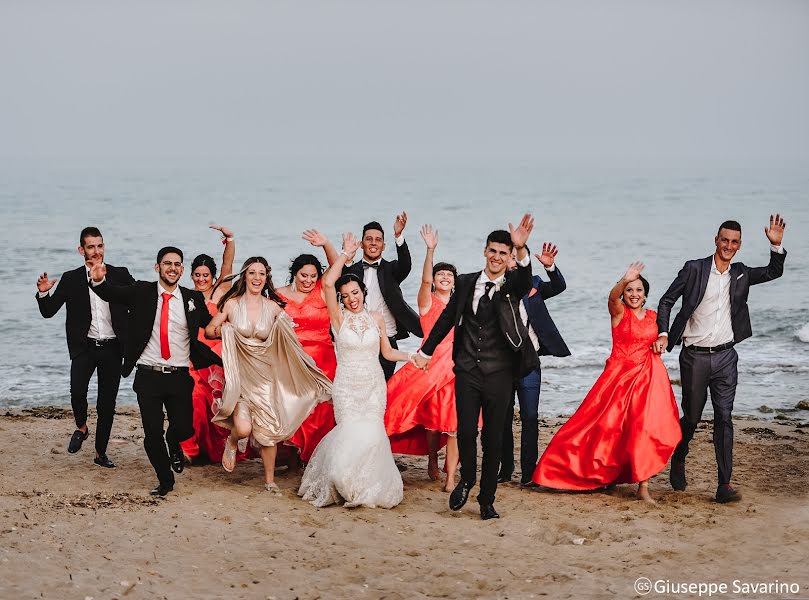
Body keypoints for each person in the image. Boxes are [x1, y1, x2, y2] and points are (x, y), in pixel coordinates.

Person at [654, 215, 787, 503]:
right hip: (695, 357)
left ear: (739, 246)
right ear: (716, 240)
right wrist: (664, 333)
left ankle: (724, 484)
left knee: (724, 418)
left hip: (727, 356)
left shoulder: (740, 274)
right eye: (724, 240)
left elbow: (773, 273)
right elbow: (666, 300)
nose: (729, 245)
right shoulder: (694, 269)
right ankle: (680, 453)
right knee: (691, 416)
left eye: (734, 242)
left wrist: (776, 247)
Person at [414, 215, 536, 520]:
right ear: (485, 251)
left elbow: (524, 278)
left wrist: (522, 250)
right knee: (465, 432)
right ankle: (467, 477)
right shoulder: (466, 282)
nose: (496, 257)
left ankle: (486, 499)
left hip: (500, 374)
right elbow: (445, 321)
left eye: (503, 253)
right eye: (492, 250)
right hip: (467, 370)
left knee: (493, 437)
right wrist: (426, 351)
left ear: (508, 259)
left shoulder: (512, 286)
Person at [533, 263, 681, 504]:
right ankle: (576, 472)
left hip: (648, 378)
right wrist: (623, 279)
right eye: (630, 290)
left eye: (639, 290)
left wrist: (661, 341)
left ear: (645, 294)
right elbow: (612, 296)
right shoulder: (619, 312)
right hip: (618, 379)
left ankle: (643, 487)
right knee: (600, 428)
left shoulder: (654, 317)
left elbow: (664, 334)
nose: (634, 294)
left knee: (644, 429)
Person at [89, 247, 221, 496]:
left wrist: (233, 322)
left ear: (182, 269)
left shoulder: (192, 298)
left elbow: (209, 325)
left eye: (177, 264)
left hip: (180, 376)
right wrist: (98, 280)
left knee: (184, 428)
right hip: (148, 375)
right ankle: (165, 479)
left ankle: (174, 442)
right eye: (167, 263)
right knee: (152, 434)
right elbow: (110, 293)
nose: (172, 268)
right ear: (157, 267)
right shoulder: (141, 291)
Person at [299, 233, 414, 508]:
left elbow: (387, 352)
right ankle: (343, 480)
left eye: (356, 293)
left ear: (363, 293)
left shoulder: (376, 318)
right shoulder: (338, 319)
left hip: (374, 386)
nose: (352, 299)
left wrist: (413, 357)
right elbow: (327, 283)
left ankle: (368, 486)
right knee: (350, 433)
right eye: (346, 295)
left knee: (373, 435)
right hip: (347, 388)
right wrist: (346, 255)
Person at [205, 257, 332, 495]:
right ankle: (233, 441)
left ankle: (269, 480)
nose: (257, 278)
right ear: (245, 276)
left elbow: (289, 344)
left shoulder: (274, 308)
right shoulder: (232, 305)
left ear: (267, 278)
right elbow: (210, 331)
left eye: (261, 274)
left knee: (268, 432)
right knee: (243, 428)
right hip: (241, 379)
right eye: (252, 273)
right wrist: (226, 330)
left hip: (265, 378)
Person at [36, 227, 134, 468]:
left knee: (106, 405)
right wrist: (42, 294)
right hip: (85, 347)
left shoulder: (120, 274)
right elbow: (49, 312)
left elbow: (138, 301)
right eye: (91, 246)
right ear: (81, 250)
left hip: (113, 348)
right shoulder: (71, 279)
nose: (96, 251)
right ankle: (82, 427)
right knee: (77, 391)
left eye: (100, 246)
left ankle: (101, 454)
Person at [385, 224, 460, 492]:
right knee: (431, 421)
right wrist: (430, 250)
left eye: (449, 274)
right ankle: (431, 458)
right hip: (430, 367)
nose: (444, 277)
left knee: (453, 426)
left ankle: (451, 476)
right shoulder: (427, 302)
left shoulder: (460, 307)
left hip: (456, 370)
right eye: (440, 273)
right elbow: (425, 281)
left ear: (455, 281)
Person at [498, 243, 571, 486]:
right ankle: (505, 470)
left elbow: (559, 286)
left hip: (530, 361)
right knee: (503, 418)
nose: (513, 259)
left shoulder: (536, 283)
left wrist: (550, 267)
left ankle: (529, 473)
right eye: (509, 255)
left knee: (530, 417)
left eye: (517, 255)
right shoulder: (494, 285)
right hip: (502, 363)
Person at [278, 230, 340, 463]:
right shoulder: (279, 295)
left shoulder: (324, 291)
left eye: (313, 276)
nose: (308, 281)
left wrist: (326, 244)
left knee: (322, 409)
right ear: (295, 275)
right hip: (293, 360)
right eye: (304, 276)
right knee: (295, 405)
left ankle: (317, 453)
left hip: (324, 360)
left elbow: (337, 268)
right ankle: (296, 449)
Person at [180, 225, 239, 464]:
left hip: (216, 359)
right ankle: (190, 450)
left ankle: (211, 448)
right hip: (192, 357)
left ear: (213, 277)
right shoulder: (184, 296)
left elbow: (228, 265)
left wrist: (230, 239)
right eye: (197, 275)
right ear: (191, 275)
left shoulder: (220, 292)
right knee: (193, 398)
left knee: (214, 405)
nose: (202, 279)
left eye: (206, 275)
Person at [342, 213, 423, 380]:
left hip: (388, 340)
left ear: (384, 246)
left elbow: (406, 265)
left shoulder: (392, 270)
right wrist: (346, 257)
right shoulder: (353, 270)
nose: (373, 242)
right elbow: (339, 284)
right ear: (361, 244)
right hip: (358, 341)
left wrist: (399, 236)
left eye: (378, 239)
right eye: (369, 239)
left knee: (382, 389)